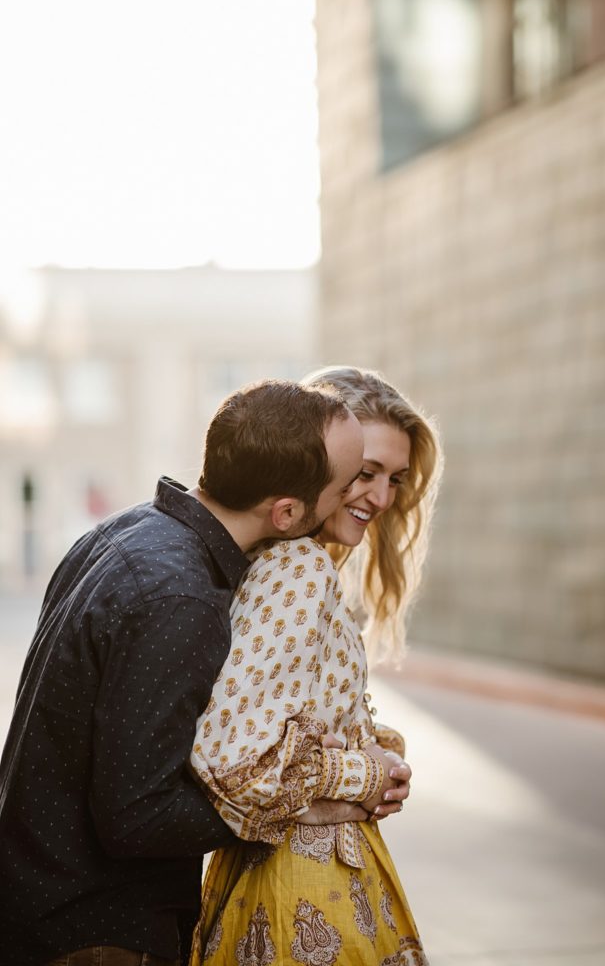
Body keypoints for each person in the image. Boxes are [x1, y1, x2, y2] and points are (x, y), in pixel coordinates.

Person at [0, 379, 366, 966]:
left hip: (43, 904)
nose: (358, 495)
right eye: (345, 484)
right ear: (289, 512)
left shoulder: (126, 530)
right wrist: (301, 803)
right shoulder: (181, 597)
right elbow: (138, 818)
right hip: (94, 934)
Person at [190, 366, 442, 965]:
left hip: (314, 876)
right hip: (299, 890)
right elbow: (237, 759)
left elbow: (285, 716)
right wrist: (367, 775)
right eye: (366, 473)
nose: (382, 499)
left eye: (395, 480)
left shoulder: (303, 565)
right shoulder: (297, 568)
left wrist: (377, 745)